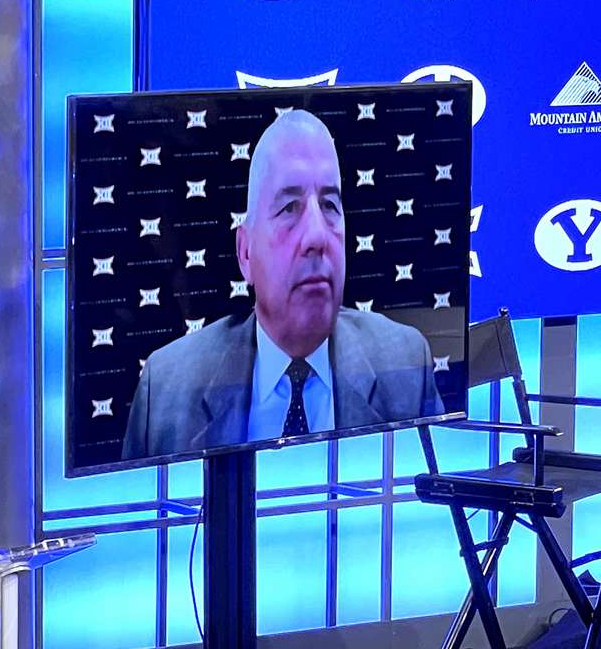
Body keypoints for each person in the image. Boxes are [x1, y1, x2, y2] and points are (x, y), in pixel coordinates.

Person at [123, 109, 442, 460]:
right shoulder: (167, 388)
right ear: (245, 253)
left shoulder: (406, 362)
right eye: (290, 207)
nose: (317, 236)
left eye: (330, 205)